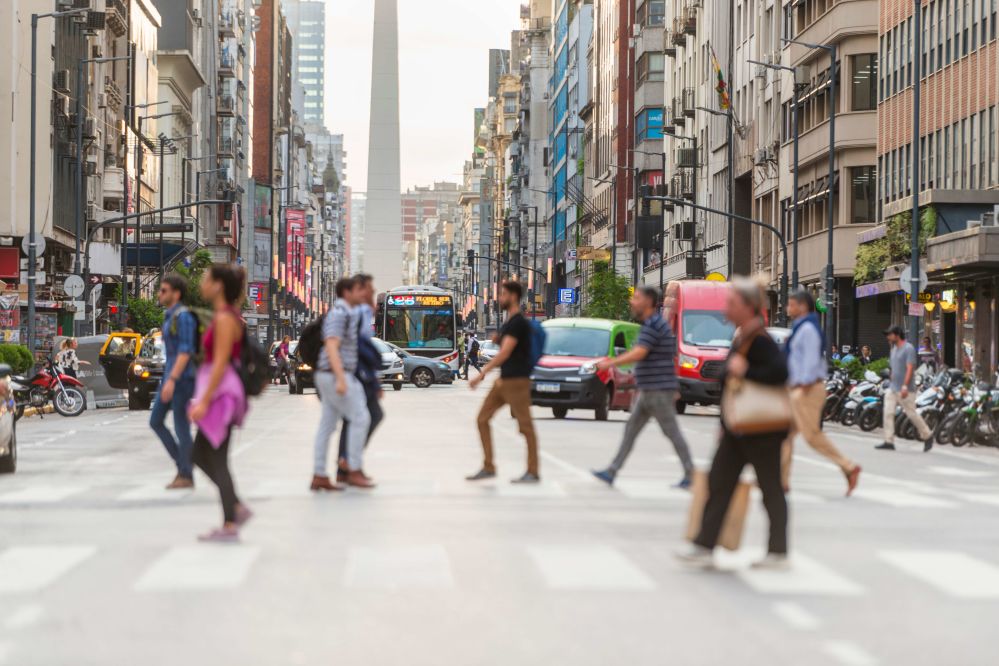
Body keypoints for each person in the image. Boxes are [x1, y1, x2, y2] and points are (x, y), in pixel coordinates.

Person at [677, 277, 790, 569]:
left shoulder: (760, 340)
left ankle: (778, 551)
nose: (726, 308)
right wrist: (724, 425)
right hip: (739, 429)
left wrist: (747, 371)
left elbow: (779, 373)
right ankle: (704, 544)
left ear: (749, 307)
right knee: (718, 483)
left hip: (762, 430)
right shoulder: (744, 335)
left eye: (732, 303)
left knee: (770, 488)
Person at [591, 286, 694, 489]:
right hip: (650, 390)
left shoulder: (653, 325)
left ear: (648, 302)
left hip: (657, 391)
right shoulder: (653, 324)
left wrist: (609, 363)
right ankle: (612, 471)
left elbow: (639, 353)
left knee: (671, 432)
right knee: (631, 430)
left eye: (636, 298)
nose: (632, 301)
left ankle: (690, 473)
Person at [188, 264, 252, 542]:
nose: (202, 283)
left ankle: (230, 521)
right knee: (201, 454)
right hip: (222, 391)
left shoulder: (226, 319)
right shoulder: (224, 316)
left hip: (222, 394)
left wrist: (203, 399)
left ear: (218, 286)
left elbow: (221, 362)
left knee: (215, 457)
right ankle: (234, 508)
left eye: (206, 279)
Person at [782, 289, 861, 496]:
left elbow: (809, 362)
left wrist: (800, 389)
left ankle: (849, 466)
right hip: (799, 387)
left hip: (807, 389)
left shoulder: (808, 330)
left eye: (791, 304)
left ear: (802, 306)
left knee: (812, 437)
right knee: (784, 435)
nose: (787, 308)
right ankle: (780, 480)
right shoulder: (802, 327)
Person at [467, 281, 539, 483]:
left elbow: (506, 353)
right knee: (482, 419)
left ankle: (533, 471)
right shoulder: (510, 322)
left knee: (525, 426)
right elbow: (508, 346)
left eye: (504, 294)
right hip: (504, 380)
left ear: (514, 297)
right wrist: (499, 339)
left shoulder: (518, 323)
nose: (500, 298)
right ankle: (488, 466)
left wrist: (482, 375)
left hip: (516, 381)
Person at [311, 276, 374, 490]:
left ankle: (319, 474)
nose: (362, 294)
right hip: (334, 373)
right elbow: (331, 345)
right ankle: (353, 470)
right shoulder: (339, 313)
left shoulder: (347, 313)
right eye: (358, 290)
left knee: (327, 425)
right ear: (347, 292)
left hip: (329, 374)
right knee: (361, 417)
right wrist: (340, 378)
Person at [150, 275, 199, 490]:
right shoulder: (169, 316)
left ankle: (185, 473)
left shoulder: (183, 317)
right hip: (170, 377)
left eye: (164, 290)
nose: (160, 294)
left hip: (181, 379)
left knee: (181, 427)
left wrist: (171, 380)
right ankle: (183, 465)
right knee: (156, 421)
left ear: (176, 294)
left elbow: (185, 351)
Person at [336, 273, 384, 483]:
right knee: (369, 415)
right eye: (369, 290)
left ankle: (345, 465)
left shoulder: (360, 311)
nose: (371, 294)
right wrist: (373, 379)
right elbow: (359, 346)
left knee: (354, 419)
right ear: (358, 289)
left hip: (356, 372)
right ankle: (348, 463)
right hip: (354, 373)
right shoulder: (356, 311)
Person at [878, 325, 933, 452]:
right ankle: (888, 441)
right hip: (893, 388)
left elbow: (910, 368)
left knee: (911, 414)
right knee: (888, 412)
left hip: (906, 389)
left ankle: (928, 435)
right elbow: (893, 368)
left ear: (897, 335)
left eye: (890, 334)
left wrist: (904, 385)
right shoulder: (894, 350)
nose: (888, 337)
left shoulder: (908, 349)